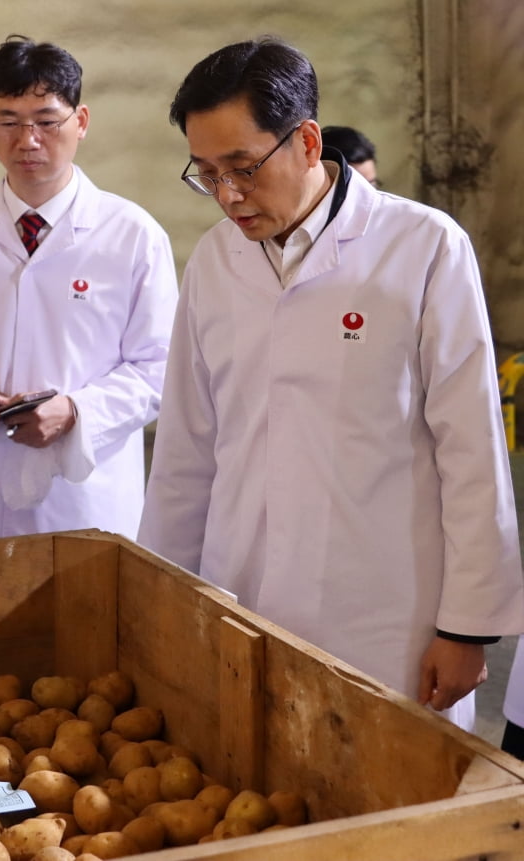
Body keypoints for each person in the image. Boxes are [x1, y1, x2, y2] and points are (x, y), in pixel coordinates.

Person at [136, 37, 524, 731]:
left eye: (243, 167)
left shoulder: (423, 248)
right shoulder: (216, 262)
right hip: (240, 595)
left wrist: (467, 628)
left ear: (308, 141)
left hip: (384, 613)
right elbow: (186, 454)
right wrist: (163, 598)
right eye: (205, 174)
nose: (227, 195)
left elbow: (472, 451)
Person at [0, 36, 178, 544]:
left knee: (86, 612)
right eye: (9, 121)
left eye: (46, 120)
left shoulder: (132, 234)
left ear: (81, 122)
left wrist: (77, 411)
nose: (28, 140)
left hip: (82, 492)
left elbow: (159, 365)